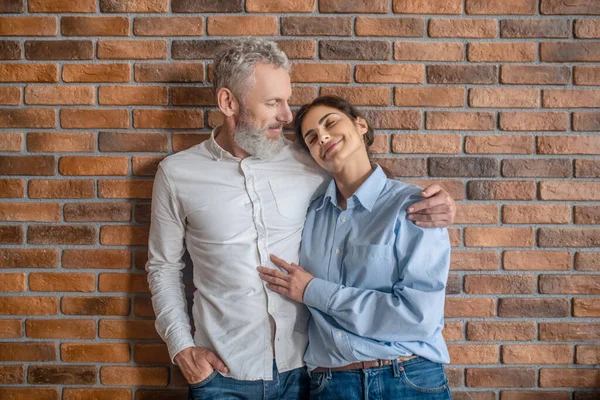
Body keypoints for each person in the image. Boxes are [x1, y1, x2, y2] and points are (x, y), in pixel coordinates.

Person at [145, 38, 456, 400]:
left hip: (305, 374)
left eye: (287, 100)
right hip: (223, 373)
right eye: (273, 102)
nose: (287, 116)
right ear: (228, 102)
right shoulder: (177, 173)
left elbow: (364, 183)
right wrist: (182, 349)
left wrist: (443, 203)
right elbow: (163, 267)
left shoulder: (311, 162)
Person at [258, 96, 452, 399]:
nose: (322, 136)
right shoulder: (308, 216)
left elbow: (419, 317)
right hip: (330, 385)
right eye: (311, 138)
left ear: (360, 125)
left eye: (330, 123)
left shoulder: (414, 207)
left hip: (406, 378)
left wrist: (313, 291)